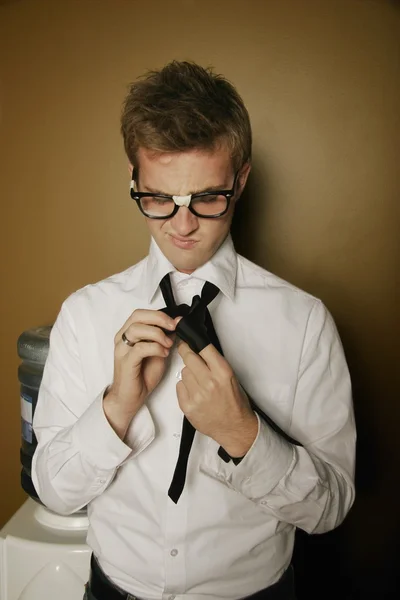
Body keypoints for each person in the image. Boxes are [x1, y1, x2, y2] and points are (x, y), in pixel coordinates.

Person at [32, 61, 356, 600]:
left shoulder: (303, 323)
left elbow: (331, 508)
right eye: (158, 199)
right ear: (133, 181)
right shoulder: (85, 315)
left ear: (241, 180)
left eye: (208, 197)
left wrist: (244, 435)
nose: (182, 226)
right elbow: (54, 493)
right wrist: (115, 407)